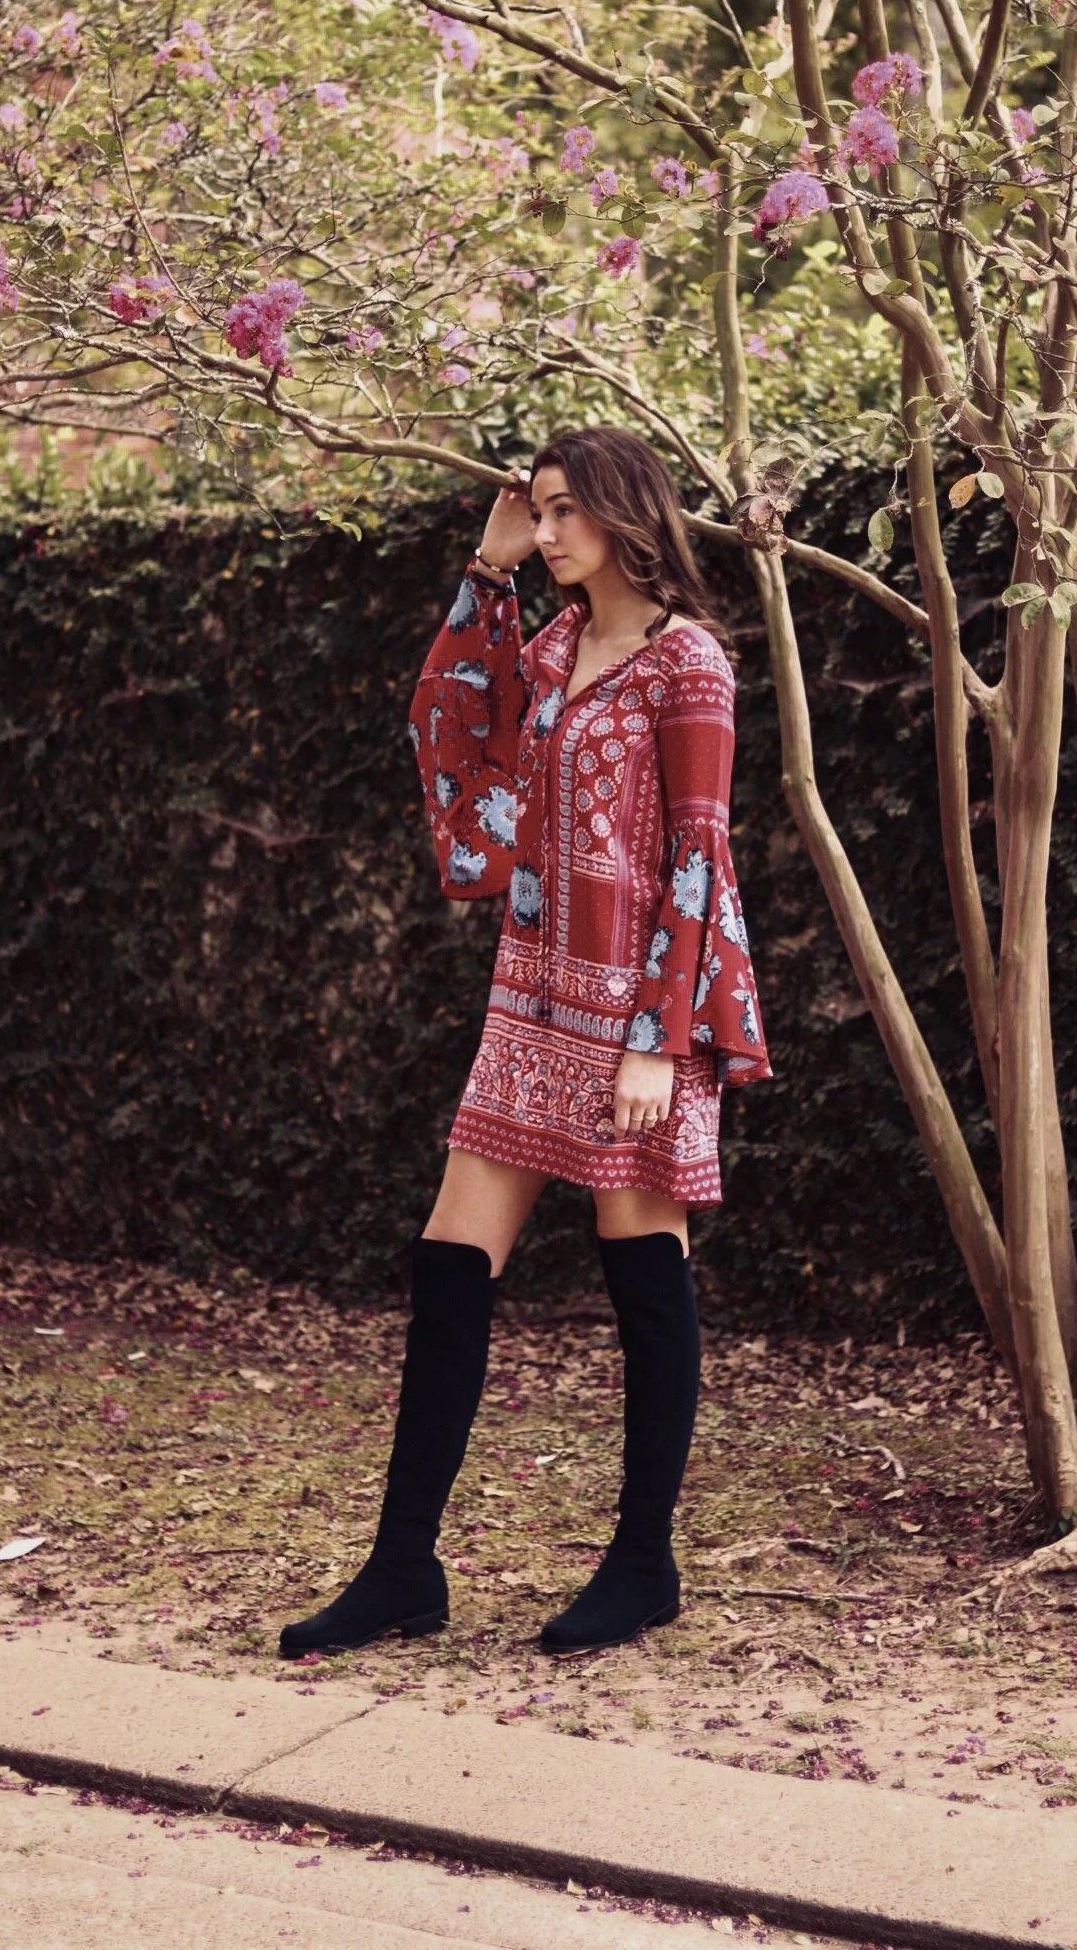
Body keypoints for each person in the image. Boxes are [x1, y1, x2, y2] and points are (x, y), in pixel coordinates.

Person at [279, 426, 770, 1660]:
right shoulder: (547, 647)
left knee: (640, 1274)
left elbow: (700, 853)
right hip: (529, 999)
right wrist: (487, 574)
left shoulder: (687, 665)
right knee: (450, 1264)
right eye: (537, 514)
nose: (546, 533)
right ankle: (401, 1571)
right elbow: (451, 731)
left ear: (619, 510)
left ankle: (642, 1565)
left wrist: (659, 1040)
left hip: (635, 1017)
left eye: (559, 514)